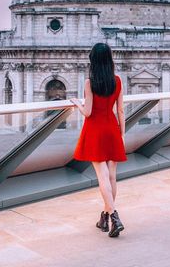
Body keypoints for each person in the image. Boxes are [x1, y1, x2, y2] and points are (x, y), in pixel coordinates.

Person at [70, 42, 127, 237]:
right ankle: (105, 217)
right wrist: (121, 134)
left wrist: (77, 103)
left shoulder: (89, 83)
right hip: (112, 128)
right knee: (111, 177)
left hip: (95, 130)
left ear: (93, 60)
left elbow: (88, 112)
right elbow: (120, 109)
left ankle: (114, 216)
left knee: (102, 176)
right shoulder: (118, 81)